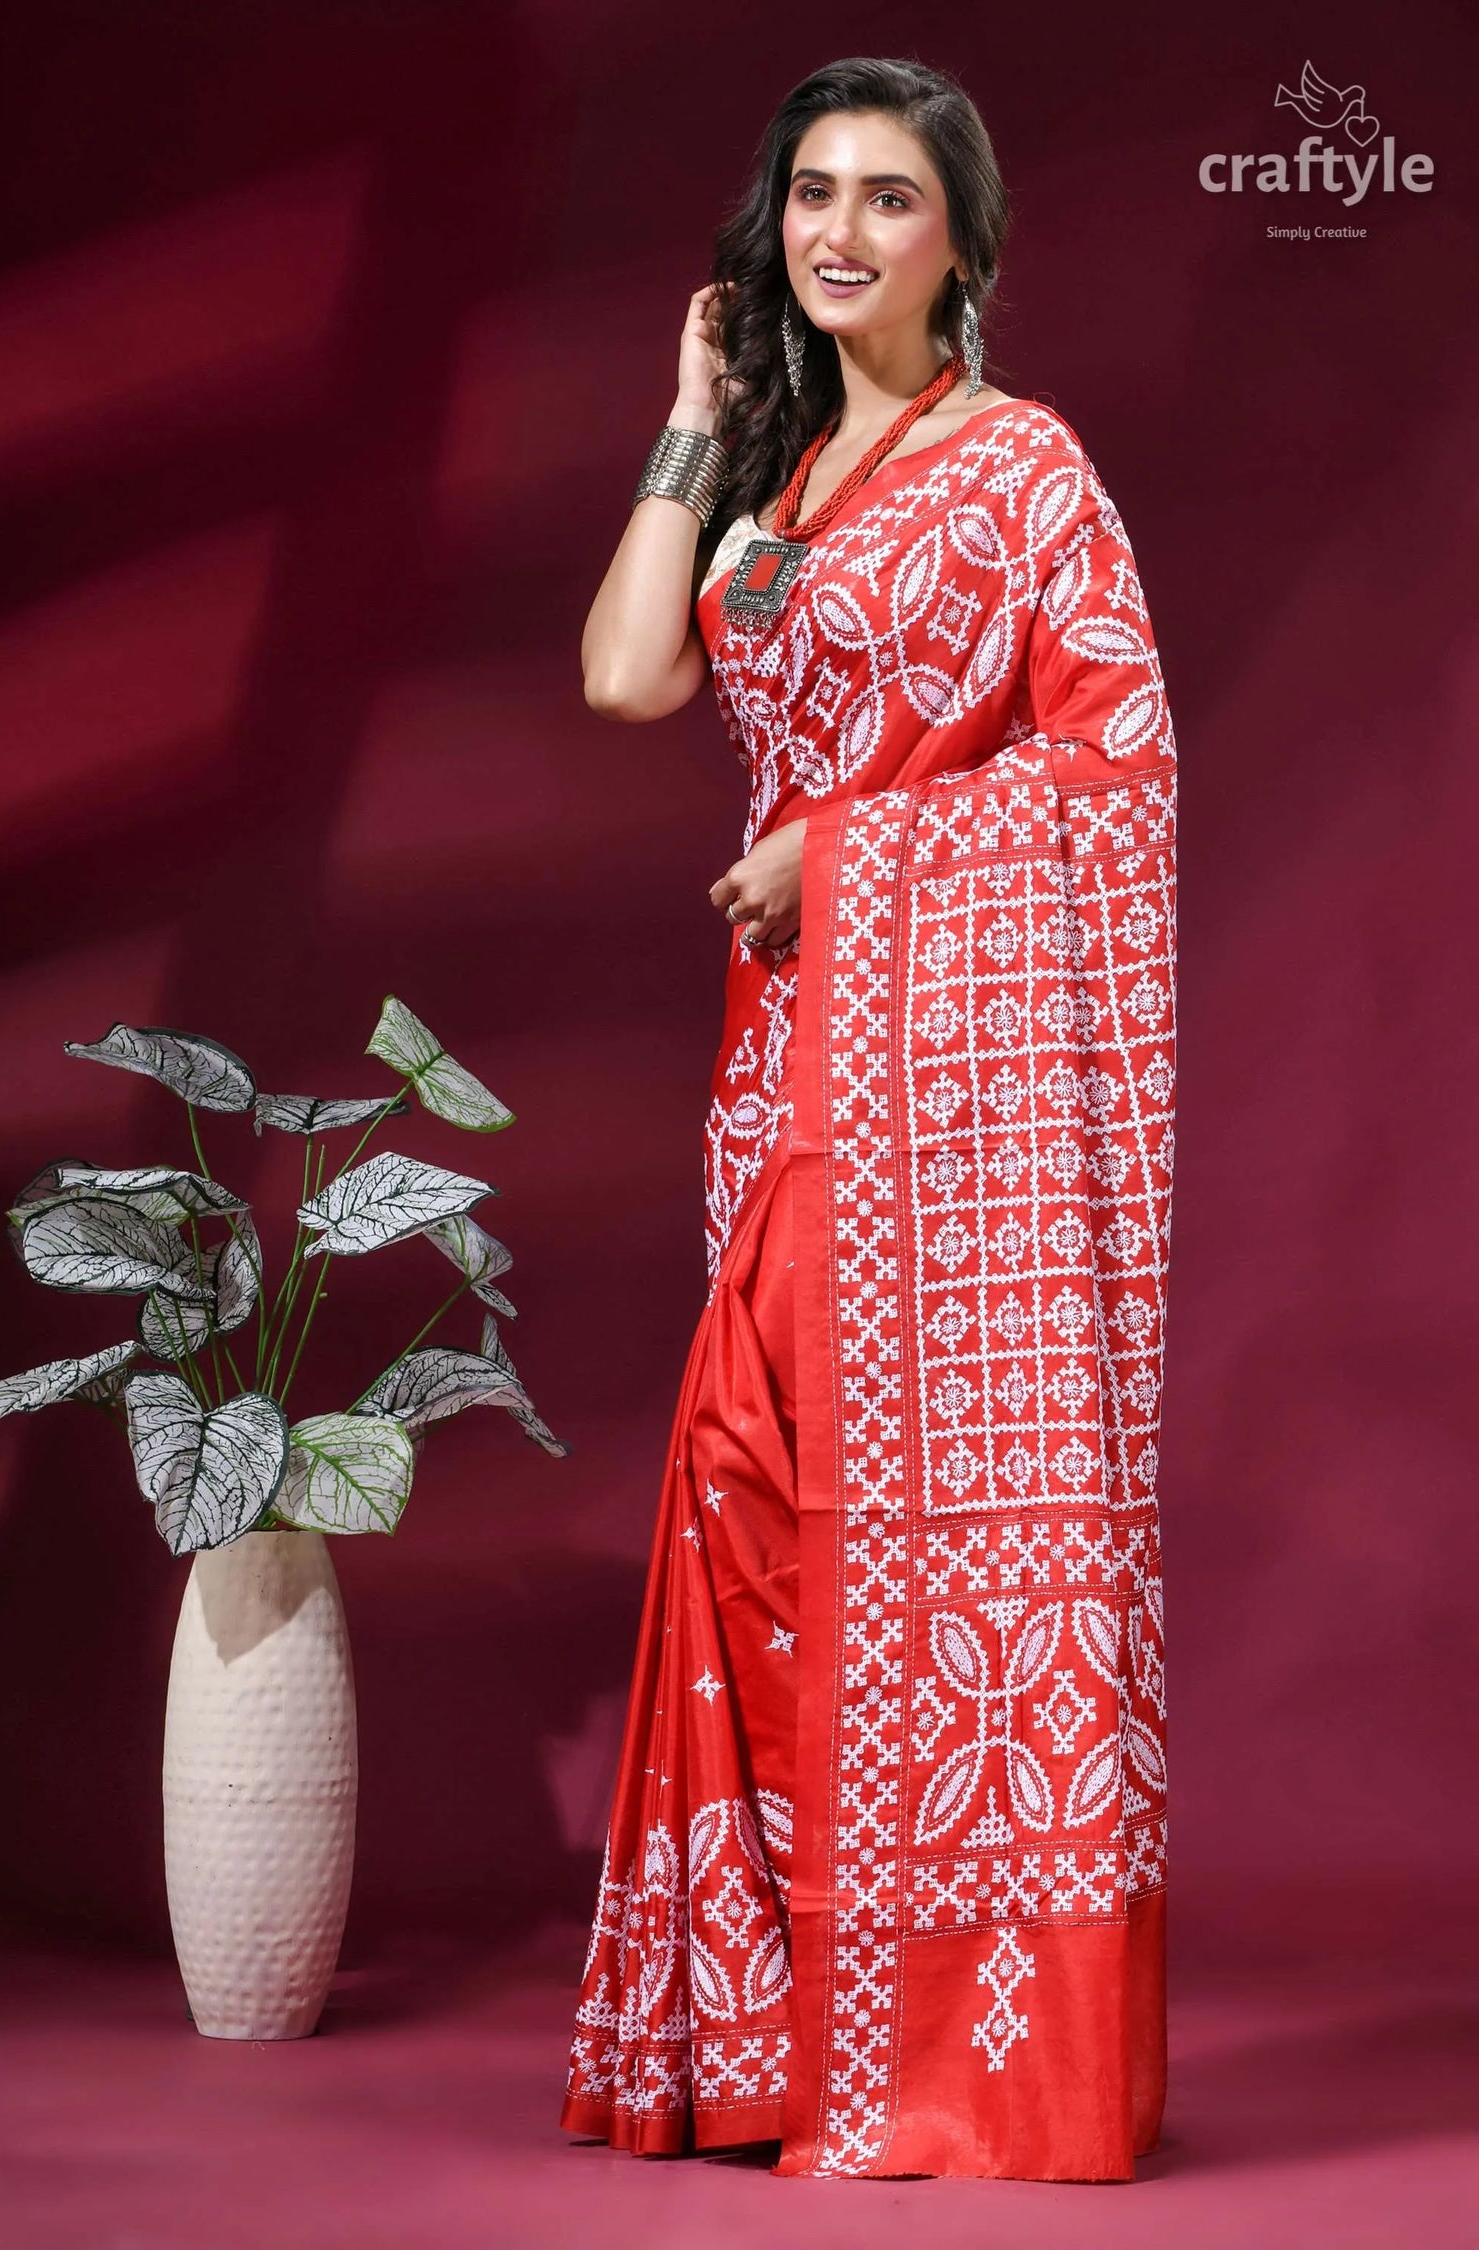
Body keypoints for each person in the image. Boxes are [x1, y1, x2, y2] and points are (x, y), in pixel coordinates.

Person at [561, 54, 1177, 2182]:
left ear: (965, 244)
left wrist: (852, 857)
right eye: (810, 193)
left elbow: (1121, 775)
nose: (840, 232)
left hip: (944, 1097)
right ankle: (782, 2040)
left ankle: (950, 2060)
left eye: (888, 200)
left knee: (844, 1506)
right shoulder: (769, 482)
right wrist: (687, 412)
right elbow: (631, 678)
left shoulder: (1024, 475)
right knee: (759, 1498)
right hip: (783, 1071)